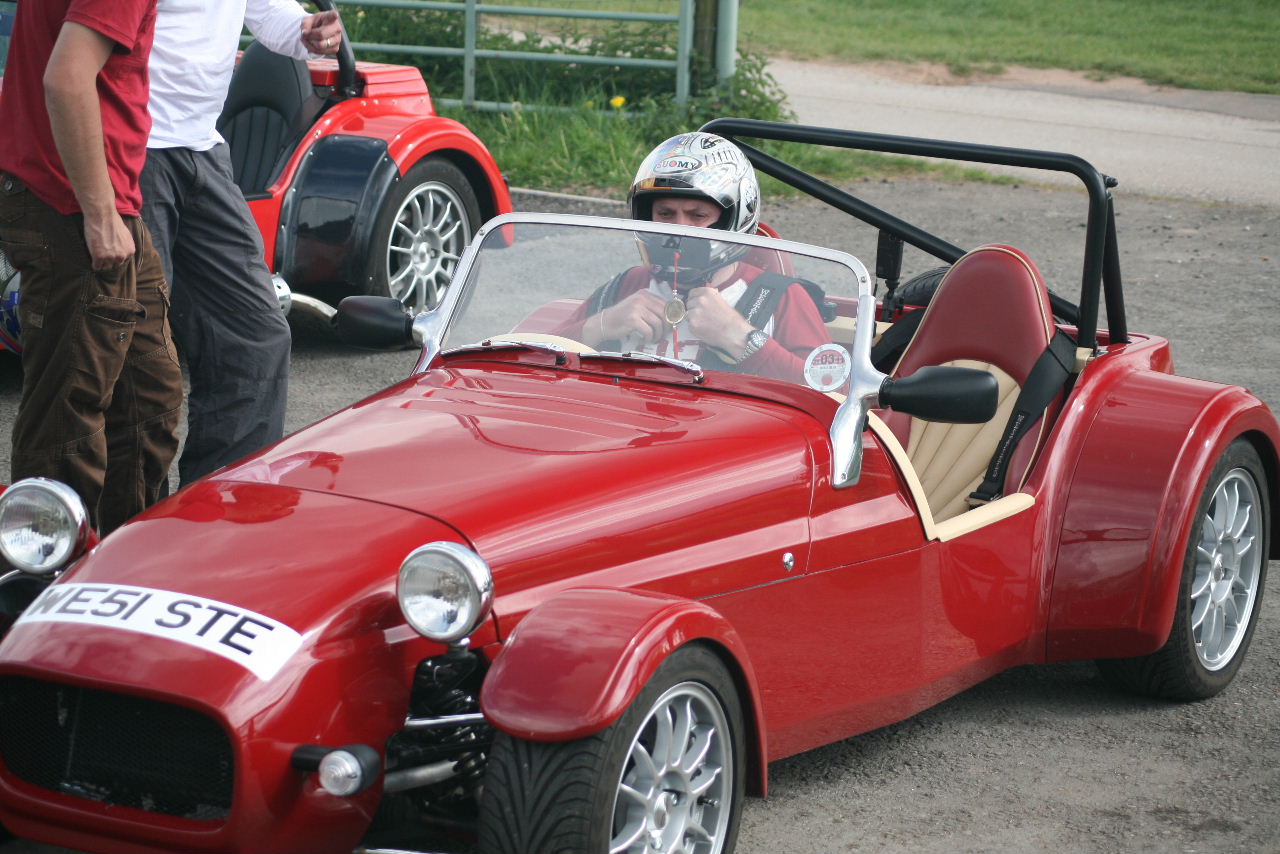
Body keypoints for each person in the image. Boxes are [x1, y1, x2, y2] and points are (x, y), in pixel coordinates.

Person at [139, 1, 343, 486]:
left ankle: (220, 505)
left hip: (201, 148)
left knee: (254, 334)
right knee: (133, 349)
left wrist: (306, 31)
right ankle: (120, 529)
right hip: (132, 147)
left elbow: (269, 12)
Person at [0, 0, 183, 534]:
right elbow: (66, 78)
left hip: (101, 203)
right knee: (69, 412)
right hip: (76, 207)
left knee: (148, 399)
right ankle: (46, 577)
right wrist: (99, 214)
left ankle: (123, 560)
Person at [565, 132, 830, 384]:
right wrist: (601, 325)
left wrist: (740, 338)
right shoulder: (626, 285)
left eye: (698, 216)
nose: (680, 229)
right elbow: (532, 354)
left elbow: (831, 392)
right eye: (666, 214)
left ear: (731, 218)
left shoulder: (781, 296)